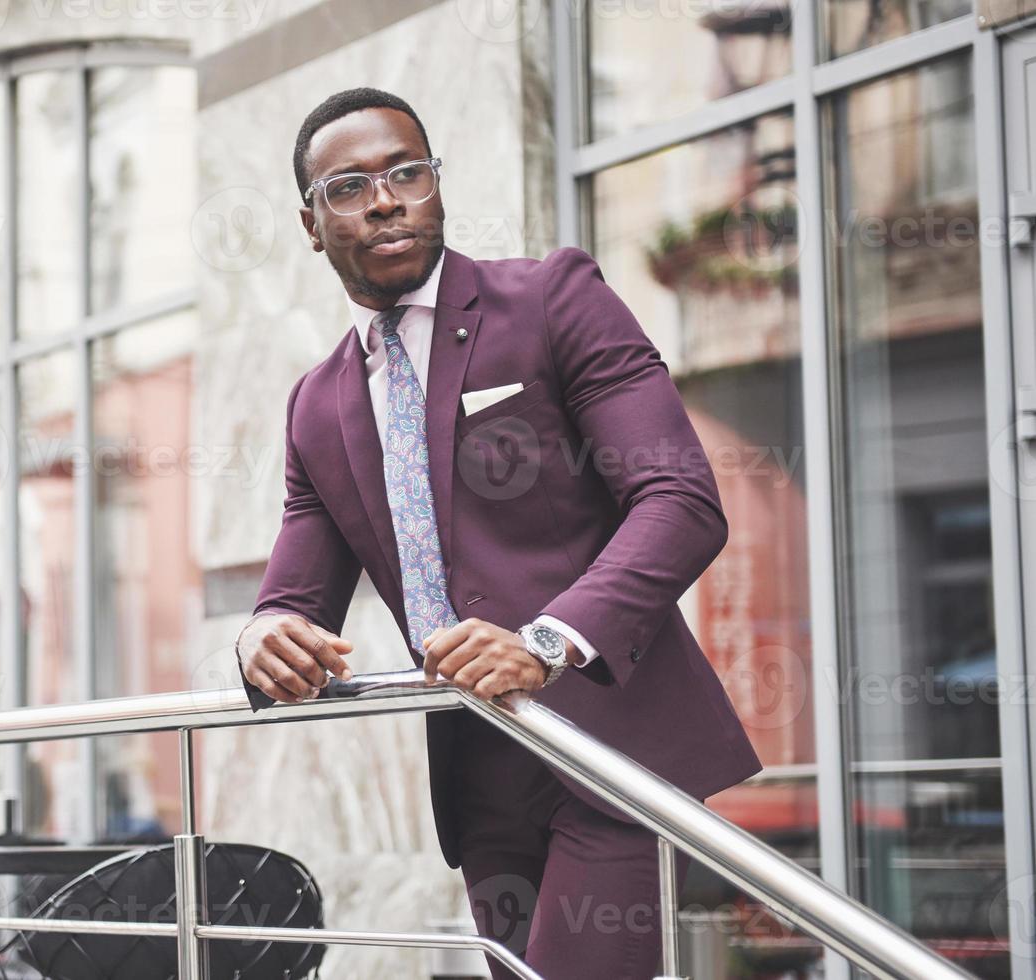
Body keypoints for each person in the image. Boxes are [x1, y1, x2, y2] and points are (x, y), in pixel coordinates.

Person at [232, 86, 762, 979]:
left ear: (436, 184)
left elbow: (679, 500)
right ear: (311, 224)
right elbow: (292, 596)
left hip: (609, 749)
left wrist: (545, 642)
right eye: (350, 187)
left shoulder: (552, 298)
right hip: (479, 775)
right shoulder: (317, 405)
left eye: (408, 172)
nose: (388, 198)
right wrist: (261, 636)